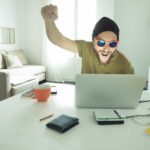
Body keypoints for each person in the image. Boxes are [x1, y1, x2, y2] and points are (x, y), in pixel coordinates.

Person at [41, 4, 134, 74]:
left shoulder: (125, 64)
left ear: (117, 43)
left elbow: (132, 91)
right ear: (93, 41)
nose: (106, 48)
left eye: (112, 44)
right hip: (87, 98)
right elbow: (58, 40)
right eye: (101, 43)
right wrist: (48, 20)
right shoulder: (86, 48)